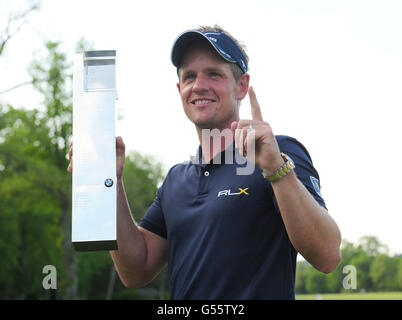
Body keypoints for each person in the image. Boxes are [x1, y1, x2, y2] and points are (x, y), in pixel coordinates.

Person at [68, 25, 341, 299]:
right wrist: (110, 185)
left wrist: (276, 170)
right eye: (189, 76)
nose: (199, 86)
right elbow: (135, 271)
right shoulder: (176, 179)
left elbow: (327, 256)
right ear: (180, 89)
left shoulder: (278, 152)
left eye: (214, 74)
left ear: (241, 85)